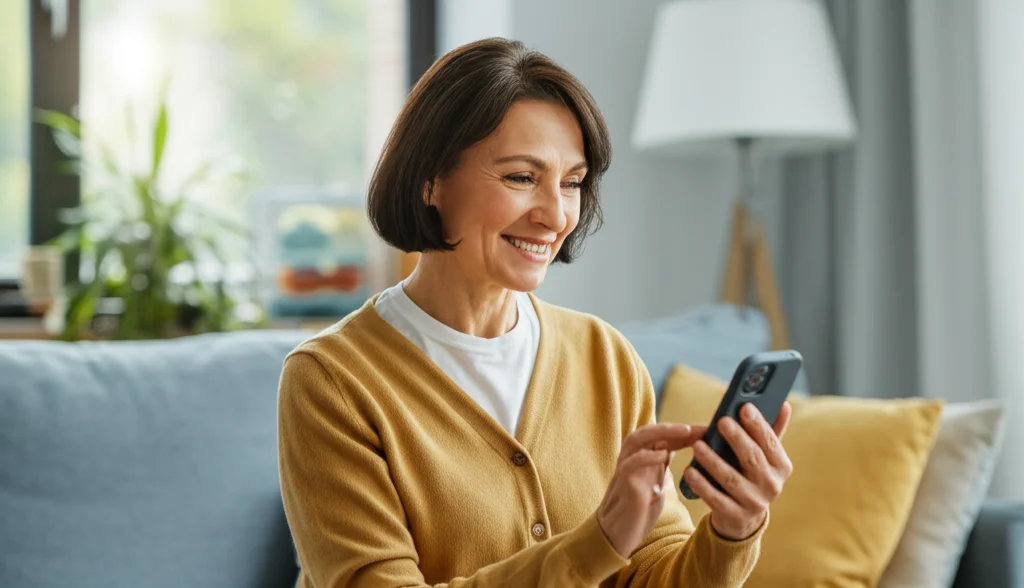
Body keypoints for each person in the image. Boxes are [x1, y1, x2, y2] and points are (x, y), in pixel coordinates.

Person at [277, 38, 794, 588]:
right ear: (430, 180)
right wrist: (598, 544)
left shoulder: (605, 357)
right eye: (522, 178)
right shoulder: (331, 381)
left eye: (572, 183)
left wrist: (734, 531)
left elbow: (653, 569)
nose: (555, 215)